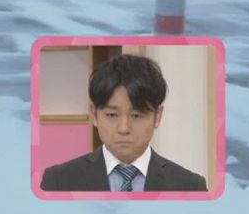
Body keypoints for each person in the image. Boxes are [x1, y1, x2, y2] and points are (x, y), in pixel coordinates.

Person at [40, 54, 208, 192]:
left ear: (158, 116)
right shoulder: (58, 182)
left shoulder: (190, 187)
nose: (123, 128)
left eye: (136, 115)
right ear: (94, 115)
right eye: (112, 115)